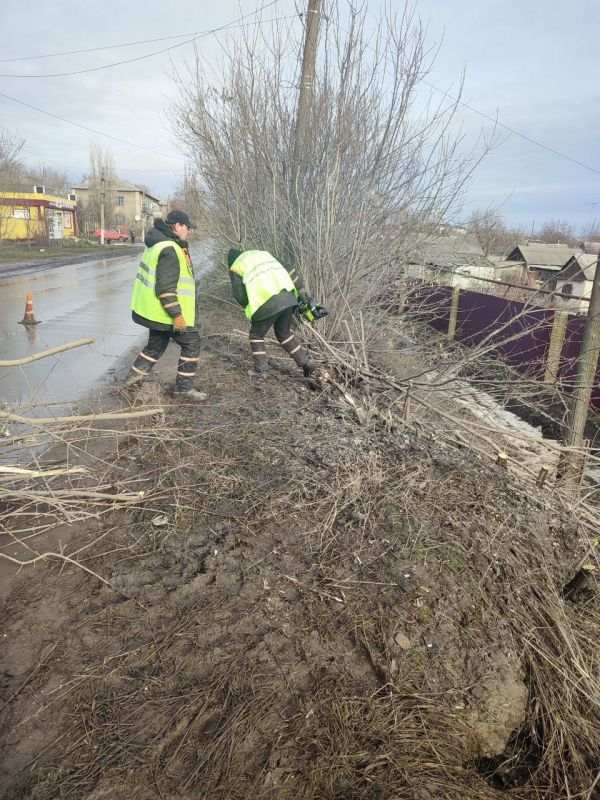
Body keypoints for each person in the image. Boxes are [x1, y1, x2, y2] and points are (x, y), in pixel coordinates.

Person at [124, 210, 206, 400]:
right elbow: (166, 289)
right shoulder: (170, 248)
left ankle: (129, 387)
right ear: (177, 226)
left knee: (155, 347)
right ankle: (183, 390)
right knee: (192, 343)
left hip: (154, 311)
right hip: (165, 313)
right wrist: (177, 315)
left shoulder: (158, 243)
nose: (189, 232)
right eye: (187, 228)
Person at [228, 248, 312, 378]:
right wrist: (300, 288)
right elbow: (289, 267)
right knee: (284, 334)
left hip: (266, 302)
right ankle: (306, 363)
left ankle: (261, 371)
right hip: (288, 297)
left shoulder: (235, 267)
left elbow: (241, 297)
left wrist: (248, 303)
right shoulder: (263, 254)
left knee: (256, 335)